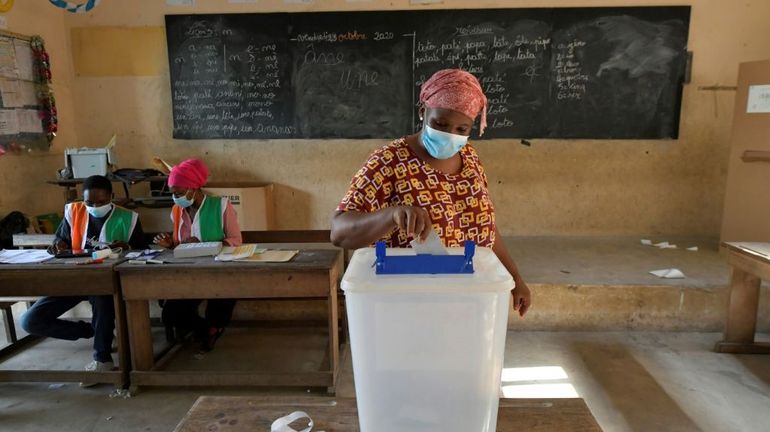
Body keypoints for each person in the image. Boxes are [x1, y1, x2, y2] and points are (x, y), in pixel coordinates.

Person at [331, 68, 531, 316]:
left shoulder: (470, 159)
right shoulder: (389, 161)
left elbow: (484, 227)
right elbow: (339, 232)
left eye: (462, 129)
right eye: (441, 123)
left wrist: (515, 279)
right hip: (407, 301)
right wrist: (391, 215)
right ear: (423, 111)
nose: (450, 135)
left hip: (469, 297)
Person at [21, 175, 146, 385]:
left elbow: (142, 251)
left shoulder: (129, 217)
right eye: (89, 202)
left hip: (107, 281)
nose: (94, 206)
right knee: (31, 321)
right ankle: (93, 331)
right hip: (74, 278)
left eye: (101, 202)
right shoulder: (74, 212)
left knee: (103, 299)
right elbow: (60, 241)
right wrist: (57, 245)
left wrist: (127, 247)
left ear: (112, 197)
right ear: (82, 199)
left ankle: (102, 359)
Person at [153, 159, 242, 351]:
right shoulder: (177, 210)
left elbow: (235, 240)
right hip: (186, 274)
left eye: (179, 192)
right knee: (170, 314)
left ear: (193, 188)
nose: (175, 197)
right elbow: (180, 244)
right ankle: (205, 329)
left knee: (222, 299)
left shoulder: (221, 206)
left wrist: (203, 246)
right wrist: (170, 244)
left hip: (219, 272)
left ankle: (212, 328)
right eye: (173, 193)